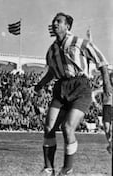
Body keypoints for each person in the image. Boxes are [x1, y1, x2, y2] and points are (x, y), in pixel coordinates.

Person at [35, 12, 111, 176]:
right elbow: (52, 72)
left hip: (80, 88)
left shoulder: (80, 43)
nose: (55, 23)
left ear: (67, 26)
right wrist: (41, 84)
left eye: (59, 21)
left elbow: (102, 63)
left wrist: (107, 84)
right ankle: (48, 168)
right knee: (48, 127)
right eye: (54, 21)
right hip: (61, 87)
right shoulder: (51, 50)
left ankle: (67, 169)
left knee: (68, 128)